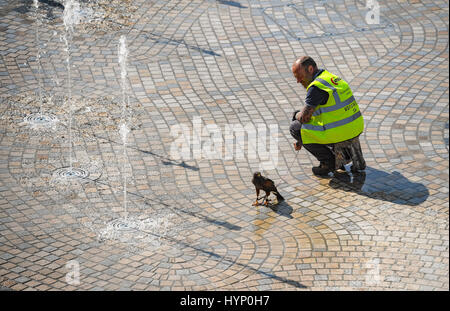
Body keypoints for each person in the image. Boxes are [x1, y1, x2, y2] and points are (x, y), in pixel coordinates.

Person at [289, 56, 365, 176]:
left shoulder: (316, 87)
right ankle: (344, 153)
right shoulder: (331, 78)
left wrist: (296, 115)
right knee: (307, 124)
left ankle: (329, 162)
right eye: (296, 77)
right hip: (356, 125)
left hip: (341, 131)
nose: (298, 80)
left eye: (299, 75)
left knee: (295, 127)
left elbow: (304, 118)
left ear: (310, 69)